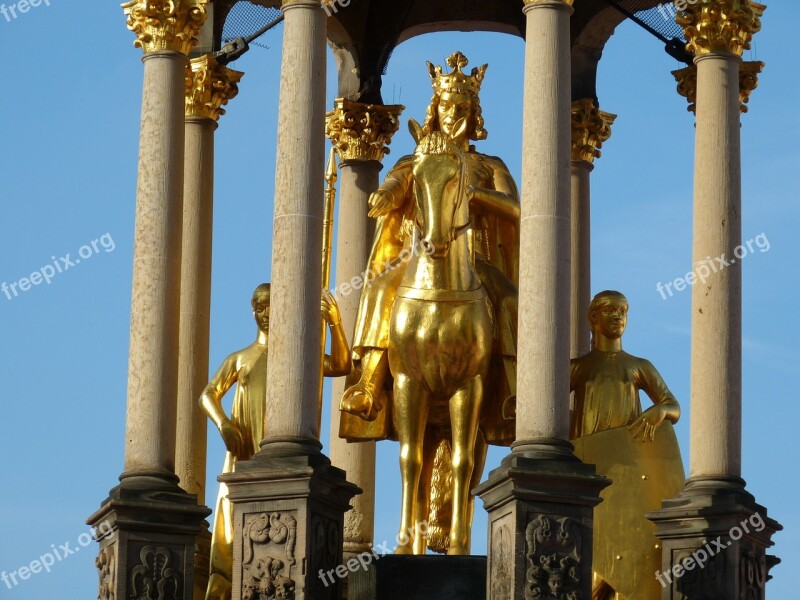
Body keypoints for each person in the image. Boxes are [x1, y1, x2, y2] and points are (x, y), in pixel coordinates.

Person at [339, 51, 520, 445]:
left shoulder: (489, 164)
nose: (452, 113)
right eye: (445, 105)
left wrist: (473, 194)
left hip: (475, 262)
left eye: (461, 106)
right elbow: (398, 182)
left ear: (473, 113)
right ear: (433, 109)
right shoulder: (415, 157)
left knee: (510, 301)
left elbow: (515, 207)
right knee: (379, 289)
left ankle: (514, 390)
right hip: (416, 262)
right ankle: (368, 382)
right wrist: (385, 194)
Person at [201, 284, 350, 600]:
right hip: (242, 457)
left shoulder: (295, 358)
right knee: (228, 534)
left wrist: (334, 323)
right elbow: (208, 394)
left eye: (270, 307)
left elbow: (341, 365)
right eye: (259, 308)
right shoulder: (241, 358)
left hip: (279, 457)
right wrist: (224, 423)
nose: (264, 314)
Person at [570, 290, 684, 599]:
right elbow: (542, 403)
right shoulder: (580, 368)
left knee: (630, 557)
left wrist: (660, 411)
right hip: (591, 471)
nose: (619, 317)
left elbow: (673, 405)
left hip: (630, 471)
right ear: (593, 318)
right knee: (594, 568)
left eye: (623, 311)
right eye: (610, 311)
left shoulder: (637, 366)